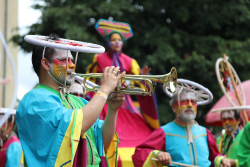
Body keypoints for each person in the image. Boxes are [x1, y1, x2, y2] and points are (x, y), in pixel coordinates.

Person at [16, 34, 126, 167]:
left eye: (72, 60)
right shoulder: (35, 99)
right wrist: (104, 90)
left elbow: (103, 142)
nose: (72, 65)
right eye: (64, 60)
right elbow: (76, 126)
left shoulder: (78, 101)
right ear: (45, 63)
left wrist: (113, 110)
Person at [87, 19, 159, 166]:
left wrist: (143, 77)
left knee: (142, 132)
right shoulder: (99, 58)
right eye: (114, 40)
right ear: (108, 42)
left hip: (124, 102)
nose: (117, 43)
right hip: (103, 99)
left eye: (119, 40)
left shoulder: (130, 61)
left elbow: (138, 82)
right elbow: (90, 79)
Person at [132, 84, 231, 167]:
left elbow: (214, 156)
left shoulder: (205, 133)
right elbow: (138, 155)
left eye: (193, 102)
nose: (189, 105)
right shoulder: (163, 132)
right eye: (184, 101)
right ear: (174, 107)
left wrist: (221, 160)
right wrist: (158, 154)